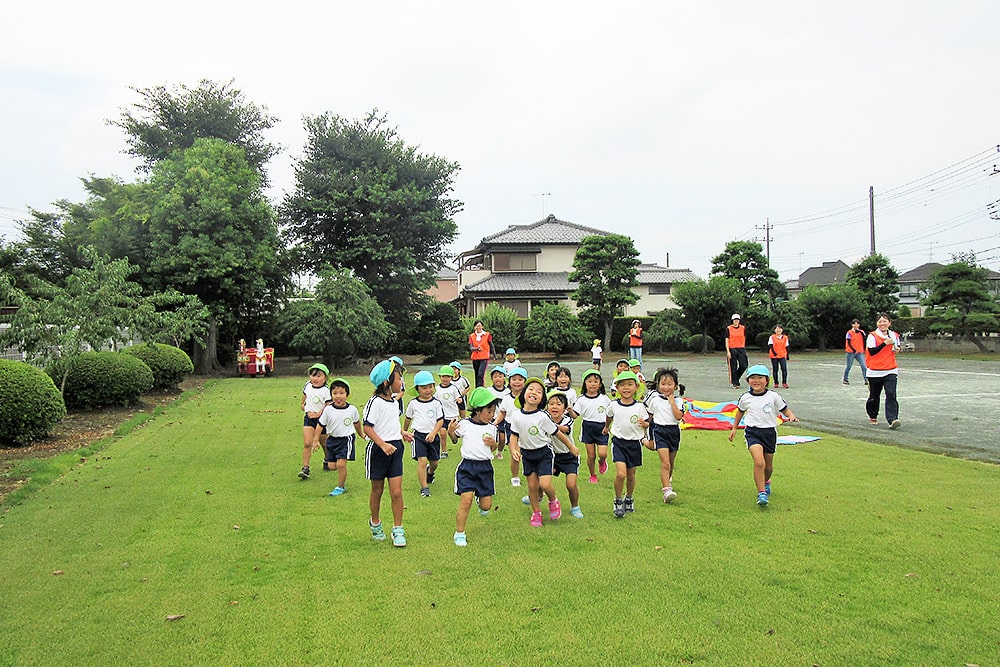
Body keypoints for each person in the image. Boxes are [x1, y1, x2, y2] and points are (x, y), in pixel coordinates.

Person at [507, 377, 575, 527]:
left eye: (539, 392)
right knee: (532, 486)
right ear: (524, 393)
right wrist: (513, 450)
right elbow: (514, 435)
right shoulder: (516, 415)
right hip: (527, 455)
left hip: (544, 454)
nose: (534, 393)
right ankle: (536, 513)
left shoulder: (543, 416)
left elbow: (557, 433)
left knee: (544, 484)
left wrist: (571, 447)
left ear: (541, 399)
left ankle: (553, 500)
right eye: (531, 389)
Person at [728, 364, 799, 506]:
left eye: (760, 378)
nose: (756, 381)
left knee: (768, 467)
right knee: (759, 462)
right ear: (748, 381)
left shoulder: (773, 396)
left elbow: (784, 409)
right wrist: (734, 428)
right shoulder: (745, 397)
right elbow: (740, 412)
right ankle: (761, 493)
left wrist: (791, 416)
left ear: (766, 380)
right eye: (752, 378)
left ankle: (766, 482)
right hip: (753, 433)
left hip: (769, 433)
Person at [364, 359, 414, 547]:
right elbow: (368, 427)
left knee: (396, 492)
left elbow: (390, 424)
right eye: (399, 378)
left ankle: (398, 529)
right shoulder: (374, 402)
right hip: (378, 451)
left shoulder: (394, 402)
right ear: (386, 382)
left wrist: (402, 433)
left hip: (395, 449)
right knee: (377, 491)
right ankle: (375, 523)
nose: (401, 382)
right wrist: (382, 444)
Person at [449, 387, 501, 546]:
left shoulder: (492, 428)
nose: (492, 415)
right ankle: (459, 533)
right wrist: (451, 431)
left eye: (493, 412)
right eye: (489, 411)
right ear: (477, 411)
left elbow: (492, 448)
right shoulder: (464, 424)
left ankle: (481, 501)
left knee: (486, 506)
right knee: (466, 500)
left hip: (485, 469)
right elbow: (454, 440)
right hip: (467, 468)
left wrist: (494, 444)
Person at [604, 370, 650, 518]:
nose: (626, 388)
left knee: (631, 475)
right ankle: (618, 500)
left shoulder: (640, 406)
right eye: (622, 385)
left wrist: (646, 424)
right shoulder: (614, 405)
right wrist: (606, 427)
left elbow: (647, 422)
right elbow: (609, 416)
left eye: (630, 384)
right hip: (619, 443)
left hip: (634, 444)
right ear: (617, 388)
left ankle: (629, 497)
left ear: (636, 387)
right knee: (621, 473)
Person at [643, 368, 685, 503]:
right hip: (659, 431)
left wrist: (672, 402)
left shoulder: (679, 401)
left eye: (669, 384)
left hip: (674, 432)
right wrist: (645, 425)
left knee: (671, 463)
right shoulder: (654, 399)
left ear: (675, 386)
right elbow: (648, 416)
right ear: (658, 385)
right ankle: (666, 490)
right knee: (665, 463)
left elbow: (679, 417)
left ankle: (668, 481)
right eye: (663, 384)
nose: (666, 387)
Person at [403, 370, 445, 498]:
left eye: (430, 387)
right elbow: (408, 418)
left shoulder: (436, 403)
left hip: (433, 436)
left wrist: (433, 433)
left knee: (434, 462)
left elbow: (440, 420)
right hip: (418, 436)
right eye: (424, 387)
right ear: (417, 389)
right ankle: (424, 487)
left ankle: (430, 472)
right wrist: (404, 432)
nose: (428, 390)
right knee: (422, 461)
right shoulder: (413, 404)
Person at [318, 378, 363, 496]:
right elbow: (320, 425)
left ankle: (340, 487)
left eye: (342, 393)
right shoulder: (328, 410)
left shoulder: (352, 409)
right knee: (332, 466)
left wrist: (361, 434)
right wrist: (314, 440)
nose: (338, 396)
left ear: (347, 395)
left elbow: (357, 423)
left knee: (341, 464)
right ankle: (340, 475)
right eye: (335, 393)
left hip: (346, 439)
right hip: (332, 439)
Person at [545, 392, 584, 518]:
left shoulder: (568, 419)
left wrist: (547, 425)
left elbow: (564, 429)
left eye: (558, 404)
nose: (554, 407)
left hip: (569, 456)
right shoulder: (544, 418)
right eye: (551, 404)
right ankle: (537, 496)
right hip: (552, 456)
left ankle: (575, 506)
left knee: (571, 485)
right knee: (542, 478)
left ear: (565, 408)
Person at [571, 369, 611, 484]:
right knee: (591, 455)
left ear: (600, 384)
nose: (592, 384)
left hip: (602, 428)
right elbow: (574, 415)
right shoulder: (581, 399)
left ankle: (602, 461)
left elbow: (611, 413)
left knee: (603, 453)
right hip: (588, 428)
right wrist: (570, 410)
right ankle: (593, 475)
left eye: (595, 381)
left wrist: (608, 426)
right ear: (585, 383)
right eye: (589, 381)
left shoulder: (604, 398)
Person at [865, 313, 902, 429]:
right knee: (874, 397)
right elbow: (872, 352)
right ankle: (873, 415)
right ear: (877, 323)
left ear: (889, 323)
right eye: (880, 321)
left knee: (891, 394)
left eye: (885, 321)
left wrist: (897, 349)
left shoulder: (894, 335)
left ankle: (892, 419)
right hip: (874, 371)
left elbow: (897, 347)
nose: (882, 324)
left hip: (890, 370)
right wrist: (883, 344)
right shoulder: (872, 336)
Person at [494, 367, 527, 486]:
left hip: (526, 427)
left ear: (525, 381)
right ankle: (515, 477)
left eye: (520, 379)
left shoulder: (528, 397)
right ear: (509, 381)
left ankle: (529, 472)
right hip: (511, 428)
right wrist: (495, 422)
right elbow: (502, 412)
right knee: (515, 453)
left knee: (528, 453)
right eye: (514, 379)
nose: (517, 382)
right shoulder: (507, 398)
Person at [299, 363, 331, 480]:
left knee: (324, 443)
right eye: (313, 376)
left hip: (322, 420)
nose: (315, 379)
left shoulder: (326, 390)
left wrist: (319, 414)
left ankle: (327, 459)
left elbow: (328, 404)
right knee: (308, 443)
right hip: (309, 418)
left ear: (325, 378)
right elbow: (305, 395)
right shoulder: (307, 385)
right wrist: (303, 404)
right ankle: (305, 468)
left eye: (318, 376)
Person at [434, 365, 463, 458]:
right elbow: (434, 400)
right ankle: (444, 451)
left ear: (451, 377)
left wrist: (459, 400)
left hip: (453, 415)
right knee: (442, 433)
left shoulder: (453, 388)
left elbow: (459, 398)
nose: (445, 379)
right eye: (443, 376)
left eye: (447, 377)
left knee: (453, 433)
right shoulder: (437, 389)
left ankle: (454, 438)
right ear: (440, 377)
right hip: (442, 416)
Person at [725, 313, 749, 388]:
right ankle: (735, 383)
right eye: (735, 320)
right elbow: (726, 340)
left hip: (741, 348)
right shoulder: (728, 328)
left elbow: (744, 337)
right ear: (732, 321)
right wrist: (728, 351)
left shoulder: (743, 328)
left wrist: (743, 347)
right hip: (732, 348)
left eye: (737, 320)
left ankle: (735, 378)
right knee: (733, 366)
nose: (736, 321)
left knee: (744, 365)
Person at [468, 320, 493, 387]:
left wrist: (494, 355)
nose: (478, 327)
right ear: (474, 327)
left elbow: (491, 345)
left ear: (482, 326)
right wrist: (476, 349)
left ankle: (481, 387)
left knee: (480, 374)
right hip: (475, 358)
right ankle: (477, 388)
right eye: (477, 326)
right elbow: (471, 347)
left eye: (479, 325)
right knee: (476, 374)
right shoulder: (472, 336)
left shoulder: (487, 335)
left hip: (484, 357)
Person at [843, 319, 868, 385]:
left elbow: (865, 340)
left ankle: (866, 380)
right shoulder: (849, 332)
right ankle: (845, 379)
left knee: (864, 366)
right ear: (852, 325)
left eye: (857, 324)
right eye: (854, 324)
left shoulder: (861, 332)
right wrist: (853, 350)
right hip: (851, 352)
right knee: (849, 366)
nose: (856, 325)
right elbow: (848, 342)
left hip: (860, 352)